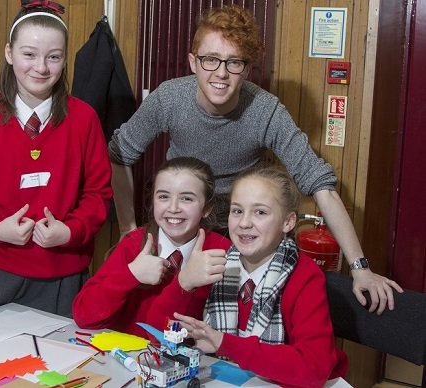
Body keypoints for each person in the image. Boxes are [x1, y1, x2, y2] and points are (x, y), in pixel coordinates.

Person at [108, 5, 402, 313]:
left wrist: (360, 267)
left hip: (243, 234)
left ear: (246, 68)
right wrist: (129, 230)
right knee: (165, 318)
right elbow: (119, 153)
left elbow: (321, 186)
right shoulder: (169, 99)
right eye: (211, 59)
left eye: (233, 62)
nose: (221, 73)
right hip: (183, 226)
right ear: (193, 62)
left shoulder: (265, 111)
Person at [0, 1, 112, 318]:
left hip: (63, 275)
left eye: (54, 57)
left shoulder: (83, 119)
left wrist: (71, 231)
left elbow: (98, 194)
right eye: (29, 54)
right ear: (10, 54)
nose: (41, 67)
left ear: (65, 60)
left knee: (60, 367)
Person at [175, 164, 348, 388]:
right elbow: (166, 333)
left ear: (288, 222)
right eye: (237, 211)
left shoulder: (305, 276)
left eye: (260, 212)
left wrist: (225, 343)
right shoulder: (215, 263)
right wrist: (184, 283)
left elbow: (313, 369)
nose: (244, 223)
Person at [72, 157, 231, 338]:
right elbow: (84, 316)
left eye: (187, 198)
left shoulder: (221, 251)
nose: (173, 208)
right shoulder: (134, 244)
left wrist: (187, 282)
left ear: (207, 208)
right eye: (163, 196)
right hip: (128, 356)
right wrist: (131, 274)